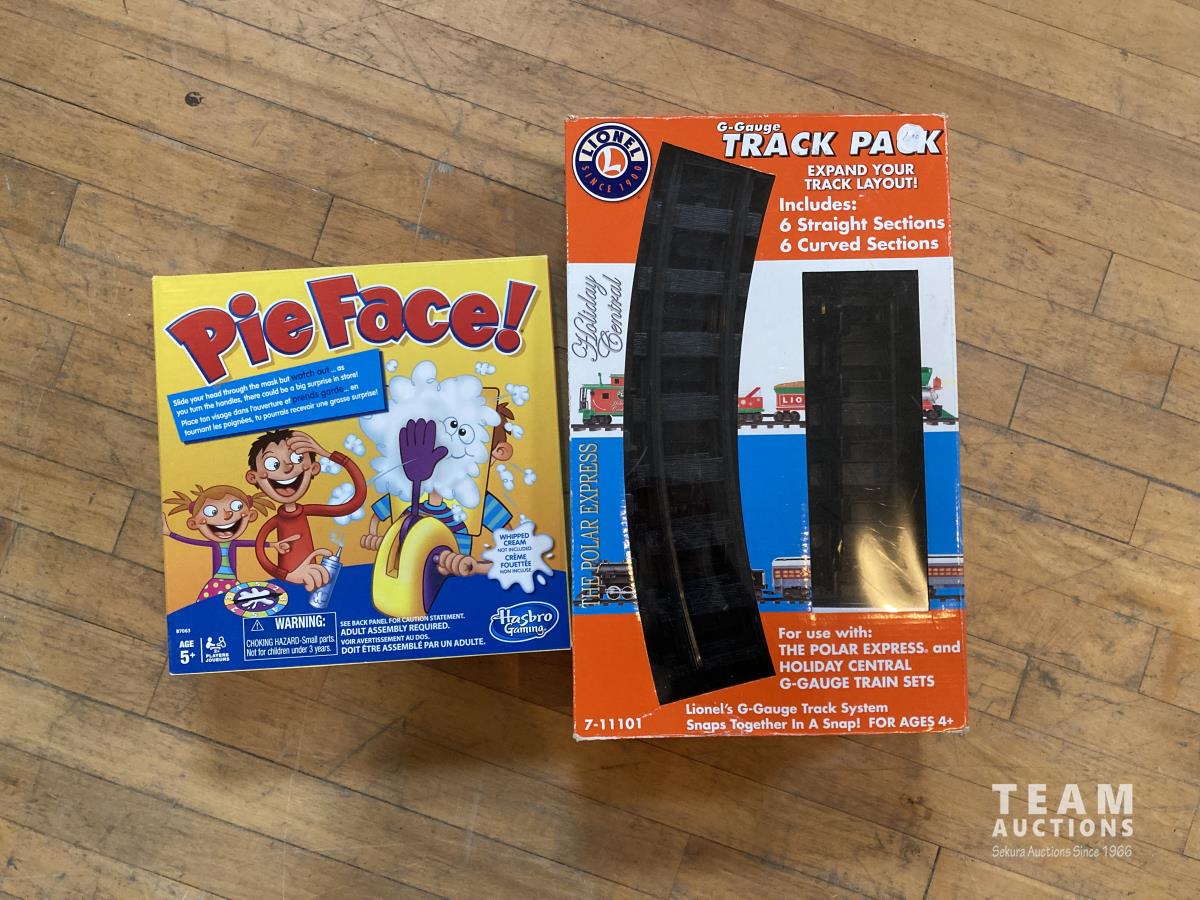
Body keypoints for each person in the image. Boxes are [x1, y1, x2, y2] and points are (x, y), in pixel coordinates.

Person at [360, 402, 515, 575]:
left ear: (498, 453)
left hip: (451, 582)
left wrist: (476, 567)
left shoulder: (478, 502)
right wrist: (374, 537)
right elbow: (376, 518)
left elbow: (513, 550)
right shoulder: (407, 492)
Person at [247, 429, 366, 590]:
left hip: (316, 578)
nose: (288, 467)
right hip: (285, 585)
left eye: (297, 458)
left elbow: (357, 500)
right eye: (273, 464)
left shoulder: (307, 510)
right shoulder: (275, 522)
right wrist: (288, 575)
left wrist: (326, 454)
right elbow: (260, 552)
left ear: (314, 468)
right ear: (253, 477)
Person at [161, 485, 284, 603]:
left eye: (236, 506)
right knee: (206, 605)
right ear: (193, 524)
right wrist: (170, 533)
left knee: (233, 606)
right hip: (216, 581)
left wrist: (273, 544)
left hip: (232, 581)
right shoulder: (214, 544)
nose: (227, 515)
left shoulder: (234, 544)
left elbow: (254, 543)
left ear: (251, 515)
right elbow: (191, 541)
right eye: (211, 511)